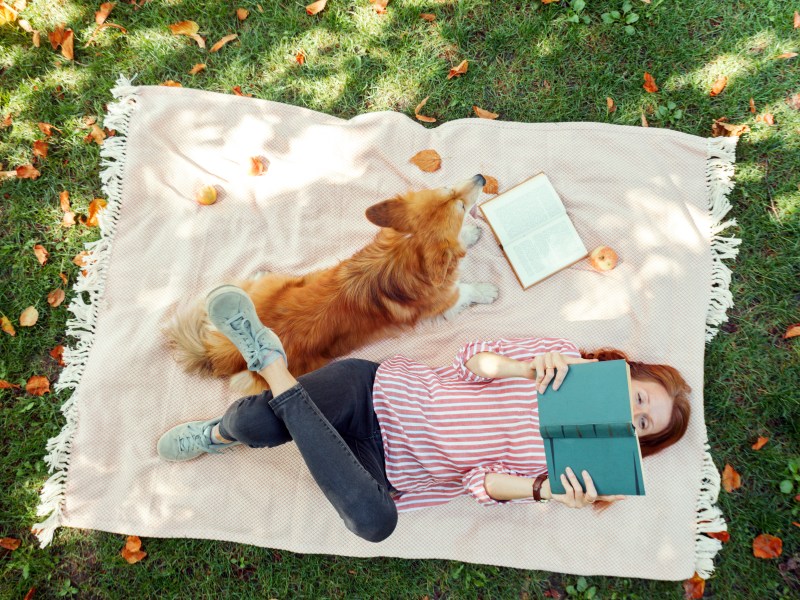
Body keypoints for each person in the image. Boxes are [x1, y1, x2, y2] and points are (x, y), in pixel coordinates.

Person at [158, 285, 691, 543]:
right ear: (629, 374)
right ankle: (220, 431)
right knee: (250, 425)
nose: (633, 412)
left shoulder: (574, 472)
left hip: (389, 470)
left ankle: (272, 365)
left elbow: (480, 482)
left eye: (643, 424)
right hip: (376, 393)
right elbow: (471, 361)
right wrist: (526, 370)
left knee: (376, 524)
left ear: (636, 442)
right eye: (641, 398)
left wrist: (545, 491)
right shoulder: (561, 358)